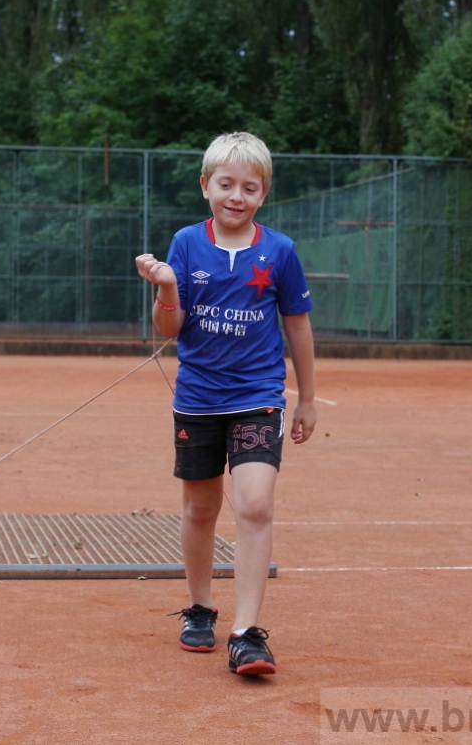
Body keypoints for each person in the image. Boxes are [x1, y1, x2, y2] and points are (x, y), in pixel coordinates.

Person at [134, 132, 316, 676]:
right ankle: (199, 609)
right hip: (198, 398)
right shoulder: (187, 244)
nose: (237, 195)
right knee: (200, 508)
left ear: (263, 194)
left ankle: (246, 632)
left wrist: (306, 398)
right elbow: (170, 328)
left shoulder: (279, 251)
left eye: (250, 187)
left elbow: (298, 325)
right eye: (226, 184)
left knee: (255, 505)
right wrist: (166, 287)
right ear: (205, 186)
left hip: (259, 396)